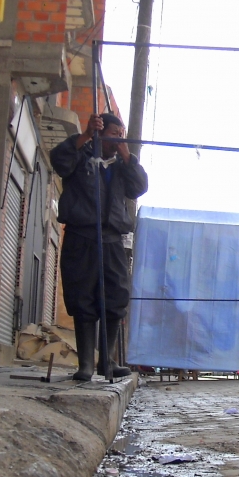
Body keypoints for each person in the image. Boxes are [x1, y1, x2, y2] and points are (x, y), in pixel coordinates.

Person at [50, 112, 148, 381]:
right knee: (83, 297)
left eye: (121, 135)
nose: (118, 139)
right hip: (82, 238)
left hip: (112, 240)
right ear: (101, 133)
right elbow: (59, 162)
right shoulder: (81, 153)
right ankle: (85, 364)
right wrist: (84, 135)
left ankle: (107, 361)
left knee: (115, 297)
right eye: (115, 134)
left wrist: (127, 155)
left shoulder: (121, 166)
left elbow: (139, 187)